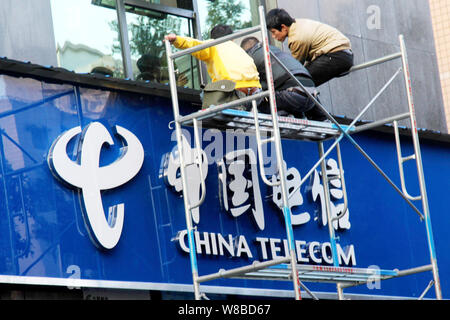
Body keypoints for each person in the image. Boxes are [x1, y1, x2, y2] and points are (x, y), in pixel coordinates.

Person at [165, 25, 261, 108]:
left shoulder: (214, 45)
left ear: (212, 39)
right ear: (232, 38)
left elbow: (195, 45)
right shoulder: (239, 49)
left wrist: (176, 40)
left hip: (235, 93)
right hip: (256, 93)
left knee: (205, 94)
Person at [240, 36, 328, 121]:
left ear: (245, 52)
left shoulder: (250, 58)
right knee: (295, 89)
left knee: (260, 98)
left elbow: (256, 90)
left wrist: (244, 111)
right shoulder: (274, 50)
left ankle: (284, 116)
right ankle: (322, 118)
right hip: (312, 96)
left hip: (292, 95)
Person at [266, 8, 353, 87]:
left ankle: (313, 104)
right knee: (303, 83)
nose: (273, 36)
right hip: (342, 54)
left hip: (337, 55)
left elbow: (294, 67)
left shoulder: (296, 38)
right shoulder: (298, 24)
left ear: (283, 27)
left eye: (273, 32)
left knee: (300, 83)